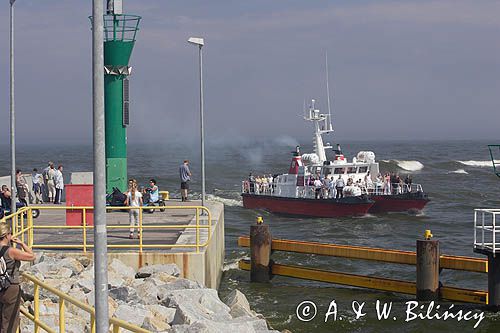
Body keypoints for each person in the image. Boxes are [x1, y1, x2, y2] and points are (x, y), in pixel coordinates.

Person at [0, 222, 36, 332]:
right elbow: (32, 256)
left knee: (1, 318)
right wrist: (21, 243)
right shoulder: (11, 251)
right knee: (10, 320)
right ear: (7, 235)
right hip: (10, 287)